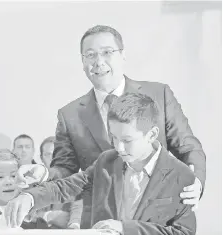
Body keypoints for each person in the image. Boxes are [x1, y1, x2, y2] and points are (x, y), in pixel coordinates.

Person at [16, 25, 205, 228]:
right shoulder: (69, 115)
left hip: (155, 220)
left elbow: (189, 147)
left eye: (107, 52)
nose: (98, 62)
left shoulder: (159, 94)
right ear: (82, 61)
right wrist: (44, 175)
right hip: (99, 223)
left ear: (123, 55)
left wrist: (196, 183)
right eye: (90, 55)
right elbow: (67, 172)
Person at [5, 93, 196, 235]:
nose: (119, 147)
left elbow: (184, 232)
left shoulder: (182, 176)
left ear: (152, 134)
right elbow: (66, 187)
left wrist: (125, 228)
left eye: (127, 140)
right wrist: (30, 197)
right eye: (114, 137)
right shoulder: (106, 161)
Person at [36, 136, 83, 229]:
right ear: (41, 158)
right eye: (48, 154)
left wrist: (74, 224)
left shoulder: (74, 181)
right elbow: (27, 215)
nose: (53, 159)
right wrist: (49, 216)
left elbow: (78, 206)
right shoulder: (33, 181)